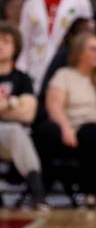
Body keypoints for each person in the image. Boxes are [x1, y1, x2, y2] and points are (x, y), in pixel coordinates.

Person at [37, 32, 96, 207]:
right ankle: (90, 192)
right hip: (72, 127)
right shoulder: (65, 74)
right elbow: (54, 105)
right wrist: (65, 128)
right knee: (92, 135)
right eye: (93, 49)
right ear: (79, 52)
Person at [17, 0, 93, 93]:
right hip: (36, 67)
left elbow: (87, 39)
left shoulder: (80, 1)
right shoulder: (32, 1)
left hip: (68, 64)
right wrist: (21, 69)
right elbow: (24, 39)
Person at [0, 22, 48, 209]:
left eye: (6, 41)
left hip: (8, 139)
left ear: (16, 47)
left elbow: (28, 114)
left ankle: (37, 192)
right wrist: (10, 103)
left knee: (15, 131)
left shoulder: (22, 79)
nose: (0, 45)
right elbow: (20, 108)